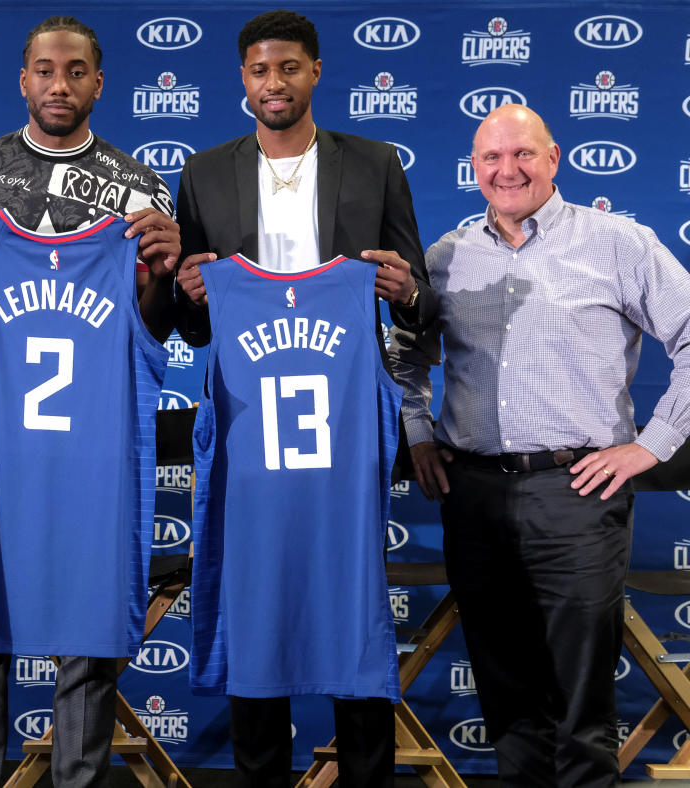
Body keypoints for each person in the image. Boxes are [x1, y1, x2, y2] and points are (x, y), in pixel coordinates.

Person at [0, 16, 180, 788]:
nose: (59, 84)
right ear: (23, 78)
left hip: (94, 463)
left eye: (75, 71)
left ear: (99, 80)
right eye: (44, 70)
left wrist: (160, 268)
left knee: (88, 651)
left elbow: (151, 332)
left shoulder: (139, 190)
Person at [388, 104, 690, 787]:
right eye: (491, 158)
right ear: (474, 168)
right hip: (473, 493)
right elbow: (408, 356)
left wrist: (653, 445)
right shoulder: (446, 256)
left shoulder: (618, 243)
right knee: (507, 699)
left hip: (578, 493)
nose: (507, 170)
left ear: (555, 159)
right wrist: (419, 433)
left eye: (523, 154)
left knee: (581, 706)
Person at [172, 10, 436, 786]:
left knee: (350, 587)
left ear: (315, 72)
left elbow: (417, 301)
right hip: (248, 426)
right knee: (256, 601)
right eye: (259, 70)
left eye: (288, 68)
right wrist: (190, 293)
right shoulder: (205, 172)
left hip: (343, 425)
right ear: (243, 81)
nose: (273, 83)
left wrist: (406, 290)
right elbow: (193, 326)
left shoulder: (375, 161)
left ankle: (365, 775)